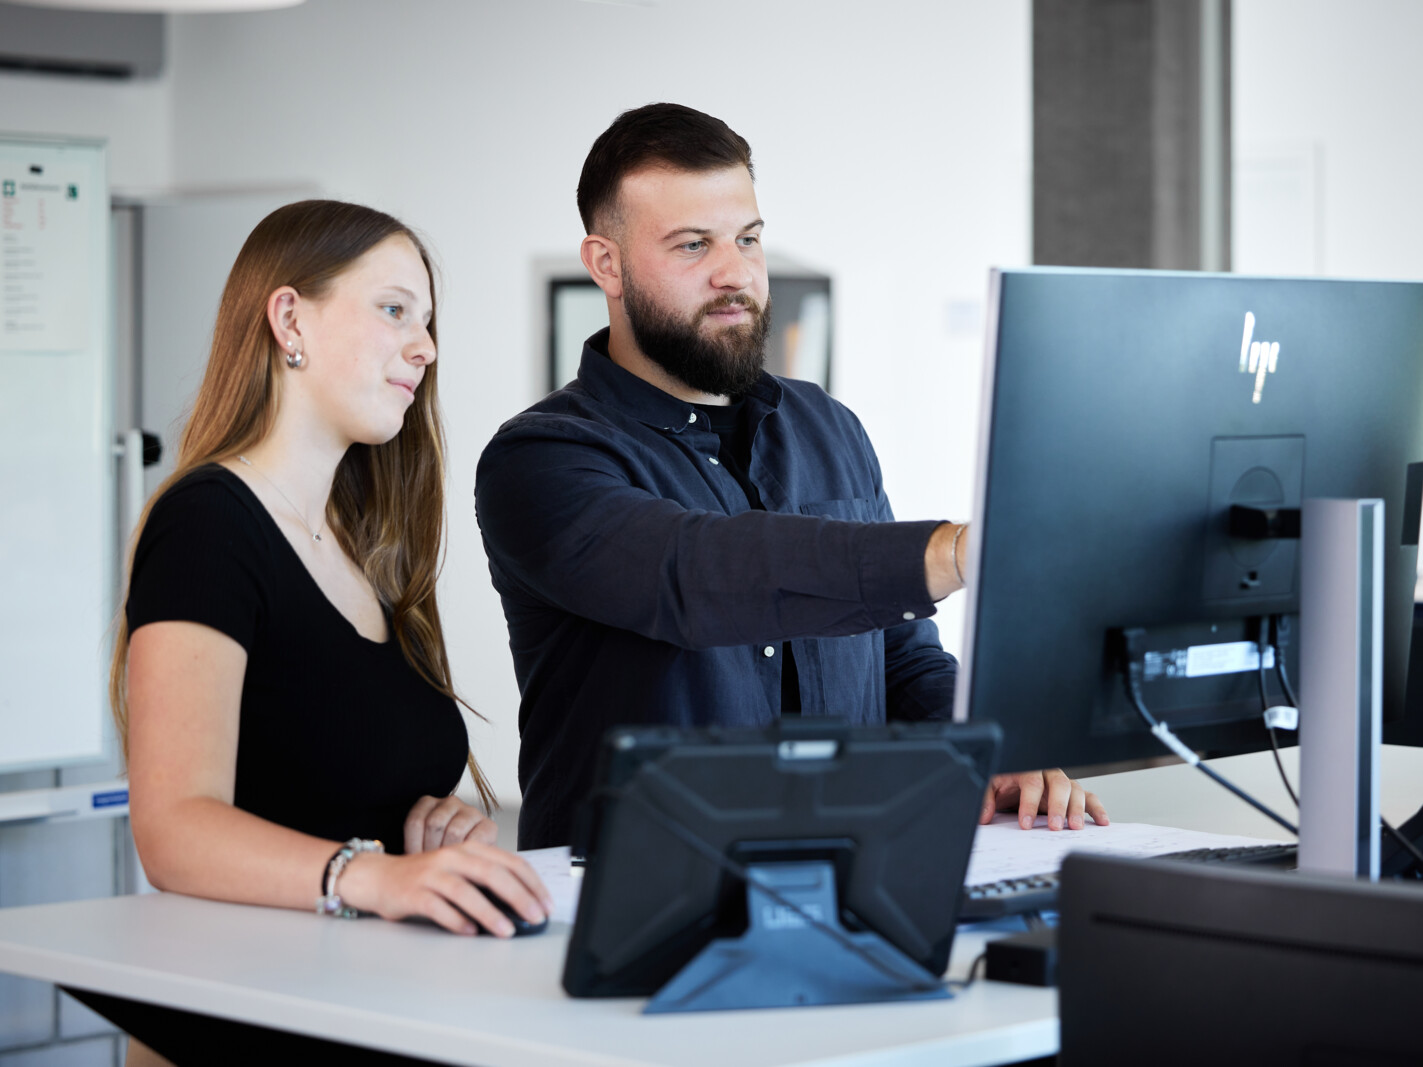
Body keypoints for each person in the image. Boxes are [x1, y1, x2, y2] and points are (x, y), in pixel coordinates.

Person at [476, 104, 1108, 849]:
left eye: (747, 238)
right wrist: (949, 551)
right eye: (691, 245)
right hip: (629, 896)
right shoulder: (541, 460)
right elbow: (697, 575)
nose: (733, 272)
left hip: (852, 871)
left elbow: (900, 656)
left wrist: (987, 751)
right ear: (605, 265)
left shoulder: (828, 428)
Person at [111, 200, 552, 946]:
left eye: (427, 323)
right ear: (290, 320)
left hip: (366, 998)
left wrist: (436, 837)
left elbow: (351, 794)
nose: (424, 349)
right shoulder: (209, 523)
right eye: (393, 310)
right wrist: (371, 876)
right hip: (247, 1006)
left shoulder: (368, 548)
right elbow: (174, 829)